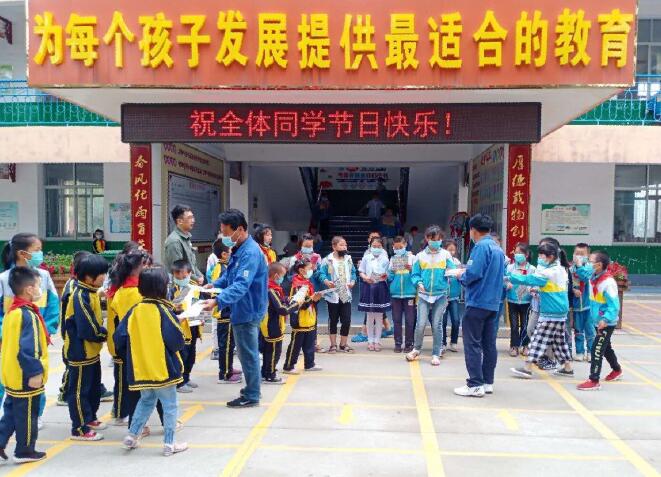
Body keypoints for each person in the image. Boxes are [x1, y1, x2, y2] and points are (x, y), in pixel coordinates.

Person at [115, 266, 188, 457]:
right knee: (170, 405)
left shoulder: (135, 310)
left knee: (146, 400)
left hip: (141, 368)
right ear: (163, 287)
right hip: (163, 368)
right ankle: (170, 443)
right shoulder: (163, 310)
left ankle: (132, 435)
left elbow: (119, 337)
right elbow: (176, 341)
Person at [205, 209, 268, 408]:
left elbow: (241, 284)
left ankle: (252, 395)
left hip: (248, 309)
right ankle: (252, 390)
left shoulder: (250, 253)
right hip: (242, 307)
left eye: (226, 232)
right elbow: (230, 275)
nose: (224, 237)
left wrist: (218, 301)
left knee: (248, 354)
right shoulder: (240, 248)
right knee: (245, 352)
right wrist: (214, 284)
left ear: (239, 229)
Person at [0, 233, 58, 430]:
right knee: (7, 375)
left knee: (37, 374)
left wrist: (47, 329)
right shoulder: (4, 279)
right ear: (22, 253)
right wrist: (4, 334)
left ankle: (36, 414)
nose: (40, 254)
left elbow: (53, 305)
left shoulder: (43, 276)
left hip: (36, 337)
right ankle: (7, 415)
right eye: (37, 250)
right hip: (9, 340)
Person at [0, 267, 49, 464]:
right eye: (38, 285)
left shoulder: (12, 311)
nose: (40, 289)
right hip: (26, 376)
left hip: (12, 374)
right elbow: (29, 348)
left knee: (11, 413)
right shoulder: (28, 315)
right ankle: (25, 451)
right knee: (28, 416)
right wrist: (35, 372)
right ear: (29, 289)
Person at [453, 215, 504, 398]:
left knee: (472, 343)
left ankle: (475, 384)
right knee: (489, 343)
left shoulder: (481, 247)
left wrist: (460, 275)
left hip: (478, 301)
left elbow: (473, 273)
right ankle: (487, 382)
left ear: (473, 230)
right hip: (493, 302)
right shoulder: (497, 248)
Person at [510, 242, 575, 380]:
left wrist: (509, 277)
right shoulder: (559, 268)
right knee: (559, 341)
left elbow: (530, 279)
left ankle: (527, 368)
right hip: (558, 311)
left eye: (541, 256)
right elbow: (548, 286)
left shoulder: (550, 271)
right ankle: (567, 367)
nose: (539, 258)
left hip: (551, 311)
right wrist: (539, 289)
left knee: (538, 339)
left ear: (550, 257)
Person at [63, 254, 109, 441]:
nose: (104, 277)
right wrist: (106, 335)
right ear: (89, 277)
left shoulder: (91, 292)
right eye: (101, 274)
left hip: (91, 351)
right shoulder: (80, 297)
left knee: (92, 388)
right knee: (79, 391)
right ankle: (79, 428)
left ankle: (90, 418)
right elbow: (88, 328)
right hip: (80, 352)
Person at [107, 250, 150, 428]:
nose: (148, 268)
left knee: (125, 381)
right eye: (146, 265)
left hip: (121, 341)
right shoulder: (134, 293)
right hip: (129, 344)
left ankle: (124, 413)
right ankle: (123, 414)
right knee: (128, 383)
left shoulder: (121, 288)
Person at [407, 226, 456, 365]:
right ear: (427, 239)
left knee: (436, 324)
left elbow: (452, 270)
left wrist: (453, 273)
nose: (436, 241)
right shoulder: (420, 256)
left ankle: (436, 353)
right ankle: (416, 349)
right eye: (433, 239)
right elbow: (415, 274)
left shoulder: (446, 255)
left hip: (440, 295)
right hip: (423, 295)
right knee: (421, 323)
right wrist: (419, 283)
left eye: (438, 239)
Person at [576, 251, 623, 391]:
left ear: (599, 265)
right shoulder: (593, 276)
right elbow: (583, 274)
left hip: (606, 322)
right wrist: (579, 265)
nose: (588, 263)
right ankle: (617, 370)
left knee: (596, 349)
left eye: (590, 261)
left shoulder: (608, 283)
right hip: (598, 320)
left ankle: (594, 379)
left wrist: (606, 319)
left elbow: (614, 305)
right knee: (606, 347)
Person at [261, 263, 304, 384]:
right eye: (282, 276)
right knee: (274, 352)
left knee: (268, 350)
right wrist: (296, 304)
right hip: (273, 325)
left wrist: (287, 299)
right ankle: (270, 375)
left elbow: (279, 302)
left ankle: (265, 373)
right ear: (276, 276)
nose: (283, 279)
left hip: (269, 324)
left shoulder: (270, 287)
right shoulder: (271, 290)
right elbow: (282, 310)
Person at [207, 241, 241, 383]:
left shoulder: (226, 267)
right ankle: (225, 373)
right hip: (224, 311)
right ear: (224, 254)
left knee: (229, 344)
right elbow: (219, 289)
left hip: (228, 310)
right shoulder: (220, 268)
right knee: (225, 345)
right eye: (231, 251)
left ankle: (229, 367)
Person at [283, 259, 323, 372]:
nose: (312, 270)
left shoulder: (307, 282)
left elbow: (310, 300)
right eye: (309, 268)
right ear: (301, 270)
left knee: (309, 343)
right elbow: (298, 304)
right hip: (300, 319)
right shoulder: (296, 284)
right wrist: (312, 299)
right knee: (296, 345)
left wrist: (316, 299)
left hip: (310, 317)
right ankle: (288, 366)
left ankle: (309, 364)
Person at [168, 260, 201, 394]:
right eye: (177, 277)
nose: (181, 279)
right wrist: (174, 308)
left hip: (193, 325)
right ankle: (179, 382)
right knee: (182, 355)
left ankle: (186, 378)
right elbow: (167, 306)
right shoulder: (171, 289)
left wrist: (201, 318)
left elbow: (200, 303)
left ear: (190, 273)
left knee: (191, 355)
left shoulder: (195, 287)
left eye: (183, 276)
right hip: (180, 328)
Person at [319, 236, 357, 353]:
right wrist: (326, 281)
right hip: (333, 294)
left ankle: (343, 344)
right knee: (333, 319)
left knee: (346, 320)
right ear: (334, 246)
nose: (344, 247)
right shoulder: (327, 260)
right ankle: (333, 345)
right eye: (341, 245)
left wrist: (352, 282)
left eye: (345, 245)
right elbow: (321, 273)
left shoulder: (348, 259)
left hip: (345, 293)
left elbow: (353, 272)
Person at [359, 236, 391, 351]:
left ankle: (377, 341)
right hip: (369, 286)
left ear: (382, 247)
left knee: (379, 316)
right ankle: (370, 341)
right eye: (374, 246)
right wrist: (366, 278)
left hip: (380, 287)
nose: (376, 248)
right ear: (370, 246)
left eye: (379, 246)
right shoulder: (366, 258)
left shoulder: (386, 259)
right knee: (369, 316)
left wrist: (385, 276)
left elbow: (388, 273)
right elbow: (361, 271)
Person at [387, 236, 417, 353]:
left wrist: (412, 269)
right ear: (393, 247)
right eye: (396, 247)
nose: (398, 249)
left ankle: (409, 344)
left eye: (400, 247)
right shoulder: (392, 259)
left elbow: (418, 274)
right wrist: (391, 273)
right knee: (396, 320)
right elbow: (389, 277)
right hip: (395, 295)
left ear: (405, 245)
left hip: (409, 294)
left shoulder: (412, 258)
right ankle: (398, 344)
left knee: (410, 320)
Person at [505, 243, 535, 357]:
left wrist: (532, 289)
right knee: (513, 325)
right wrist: (507, 284)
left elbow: (535, 283)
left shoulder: (532, 269)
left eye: (520, 253)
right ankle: (514, 346)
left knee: (525, 325)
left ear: (526, 255)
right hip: (512, 300)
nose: (517, 255)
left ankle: (525, 345)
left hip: (526, 301)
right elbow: (504, 280)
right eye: (516, 252)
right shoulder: (510, 267)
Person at [163, 204, 203, 284]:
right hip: (180, 286)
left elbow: (193, 264)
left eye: (193, 217)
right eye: (189, 218)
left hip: (191, 283)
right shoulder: (174, 241)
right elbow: (179, 270)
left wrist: (200, 275)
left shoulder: (186, 238)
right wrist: (197, 279)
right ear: (179, 221)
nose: (193, 220)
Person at [571, 243, 595, 362]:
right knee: (578, 330)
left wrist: (579, 266)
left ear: (588, 256)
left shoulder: (590, 268)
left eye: (582, 254)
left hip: (589, 305)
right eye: (577, 254)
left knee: (590, 330)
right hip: (576, 306)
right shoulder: (571, 269)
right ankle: (580, 352)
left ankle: (591, 352)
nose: (579, 256)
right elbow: (567, 284)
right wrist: (573, 290)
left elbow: (585, 277)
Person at [442, 239, 462, 353]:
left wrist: (460, 275)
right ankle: (443, 343)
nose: (451, 252)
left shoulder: (456, 262)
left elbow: (461, 277)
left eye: (453, 250)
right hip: (442, 296)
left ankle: (453, 342)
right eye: (449, 250)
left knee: (456, 320)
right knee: (443, 321)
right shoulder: (440, 261)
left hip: (454, 296)